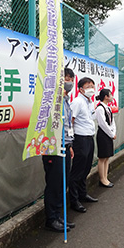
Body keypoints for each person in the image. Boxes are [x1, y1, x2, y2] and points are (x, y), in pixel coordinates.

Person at [42, 67, 75, 232]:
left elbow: (67, 125)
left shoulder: (66, 101)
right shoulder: (50, 100)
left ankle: (59, 216)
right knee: (54, 184)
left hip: (65, 147)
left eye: (70, 79)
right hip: (53, 148)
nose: (68, 82)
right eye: (65, 78)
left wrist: (69, 146)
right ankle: (51, 219)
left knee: (63, 183)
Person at [69, 77, 98, 213]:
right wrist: (71, 140)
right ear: (81, 89)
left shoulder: (89, 102)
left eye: (93, 86)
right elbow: (71, 121)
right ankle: (74, 201)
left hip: (89, 137)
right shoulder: (77, 102)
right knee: (77, 170)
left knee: (86, 168)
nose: (91, 89)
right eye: (88, 86)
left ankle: (83, 194)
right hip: (80, 139)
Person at [95, 89, 117, 188]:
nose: (112, 96)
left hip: (108, 134)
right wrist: (111, 134)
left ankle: (105, 177)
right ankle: (102, 179)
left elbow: (112, 122)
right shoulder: (100, 108)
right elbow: (102, 124)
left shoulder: (108, 108)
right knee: (102, 157)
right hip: (103, 135)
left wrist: (113, 132)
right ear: (106, 97)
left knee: (107, 157)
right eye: (110, 95)